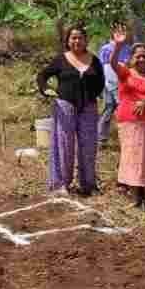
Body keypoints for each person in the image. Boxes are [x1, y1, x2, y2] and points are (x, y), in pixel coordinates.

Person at [36, 26, 105, 196]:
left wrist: (90, 97)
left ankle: (88, 184)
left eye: (80, 38)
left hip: (88, 108)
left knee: (88, 146)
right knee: (64, 145)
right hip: (65, 106)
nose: (77, 41)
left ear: (86, 40)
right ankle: (60, 185)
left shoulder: (94, 60)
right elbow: (42, 76)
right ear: (68, 41)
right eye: (73, 38)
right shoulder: (61, 59)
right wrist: (45, 89)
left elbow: (100, 82)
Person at [109, 26, 145, 209]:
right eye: (138, 56)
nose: (141, 59)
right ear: (131, 58)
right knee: (131, 158)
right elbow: (112, 63)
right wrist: (118, 45)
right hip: (128, 122)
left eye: (144, 56)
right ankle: (135, 199)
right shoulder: (125, 73)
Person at [97, 33, 132, 144]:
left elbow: (129, 65)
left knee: (120, 107)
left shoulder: (128, 48)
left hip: (123, 82)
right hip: (109, 82)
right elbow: (103, 66)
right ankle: (101, 137)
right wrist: (104, 83)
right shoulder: (106, 48)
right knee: (110, 107)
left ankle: (125, 136)